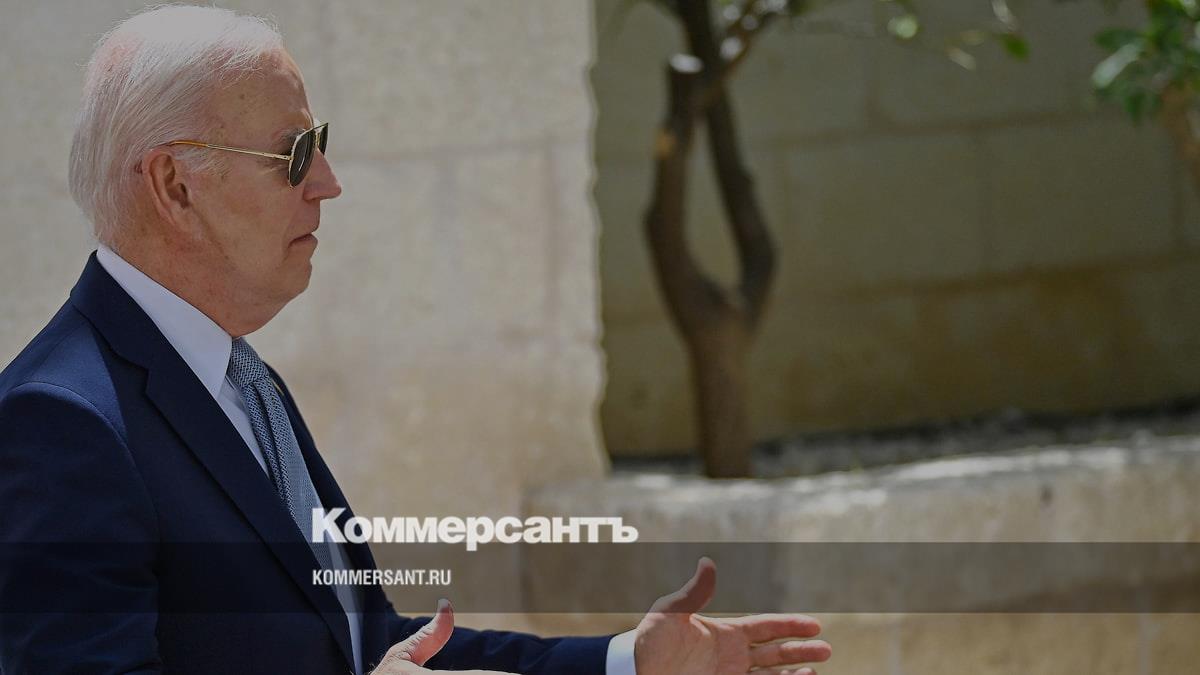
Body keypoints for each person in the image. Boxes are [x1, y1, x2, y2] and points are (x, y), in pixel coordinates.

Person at [0, 5, 831, 675]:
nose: (327, 183)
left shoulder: (239, 380)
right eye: (295, 153)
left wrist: (627, 663)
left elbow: (369, 644)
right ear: (175, 185)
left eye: (320, 146)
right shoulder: (59, 420)